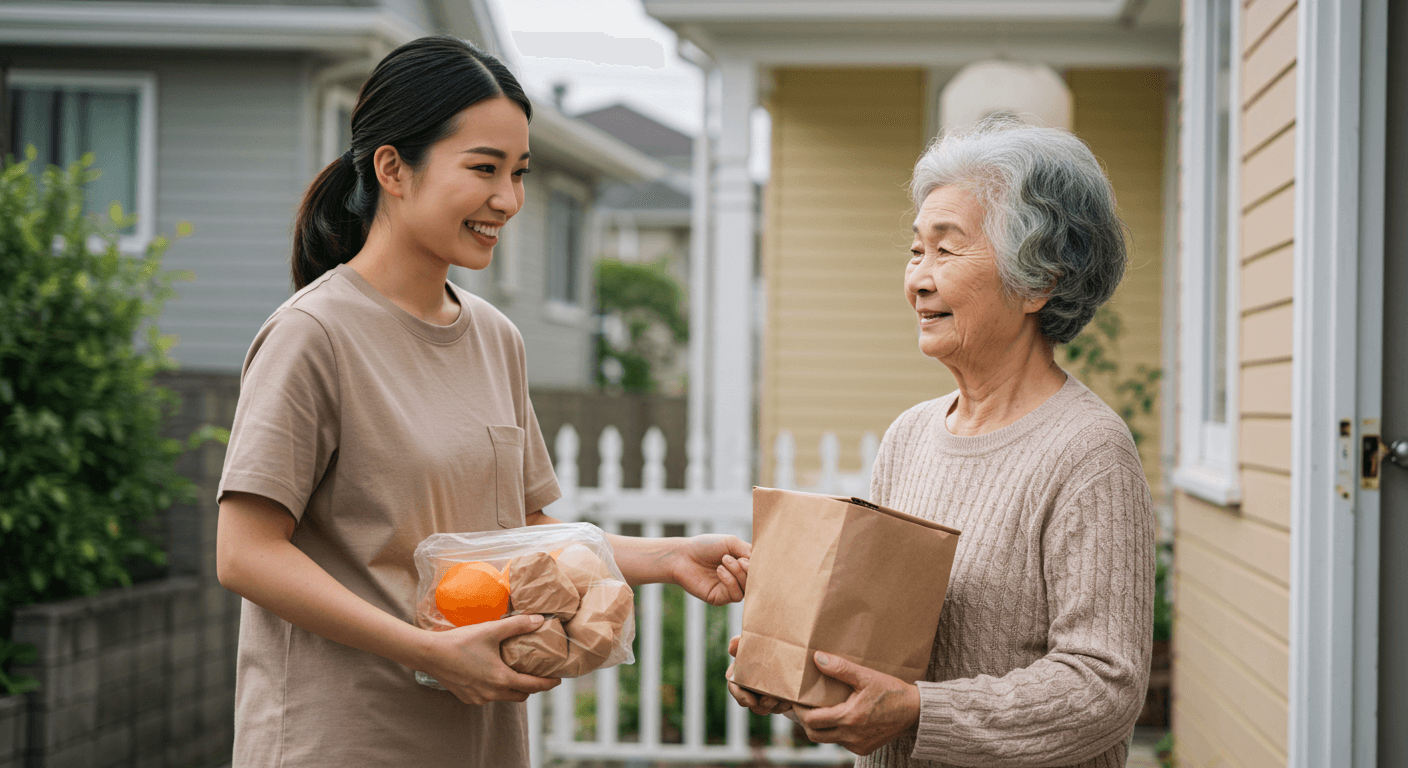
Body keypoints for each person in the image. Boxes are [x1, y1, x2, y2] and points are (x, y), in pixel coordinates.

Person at [214, 36, 749, 768]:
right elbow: (246, 555)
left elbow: (520, 529)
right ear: (393, 168)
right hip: (340, 740)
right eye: (484, 169)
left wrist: (667, 556)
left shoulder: (495, 337)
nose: (509, 199)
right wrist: (427, 647)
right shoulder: (313, 334)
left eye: (520, 172)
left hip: (483, 741)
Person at [727, 117, 1154, 768]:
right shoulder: (910, 436)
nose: (918, 279)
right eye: (915, 250)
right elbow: (875, 637)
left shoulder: (1089, 451)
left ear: (1039, 281)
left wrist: (922, 711)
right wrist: (789, 661)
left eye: (946, 251)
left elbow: (1103, 686)